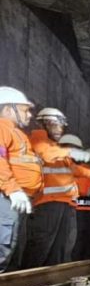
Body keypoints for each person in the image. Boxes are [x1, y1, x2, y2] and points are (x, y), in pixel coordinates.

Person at [27, 108, 90, 267]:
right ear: (44, 124)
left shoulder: (55, 147)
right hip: (47, 202)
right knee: (42, 244)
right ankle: (27, 280)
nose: (60, 129)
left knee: (61, 246)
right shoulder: (38, 139)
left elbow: (72, 169)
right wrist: (70, 151)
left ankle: (52, 280)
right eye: (56, 125)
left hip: (65, 202)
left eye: (61, 126)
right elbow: (46, 154)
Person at [0, 87, 42, 272]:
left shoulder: (18, 134)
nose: (30, 115)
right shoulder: (2, 128)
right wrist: (13, 189)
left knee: (14, 247)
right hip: (6, 196)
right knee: (3, 245)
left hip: (17, 199)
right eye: (25, 110)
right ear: (9, 109)